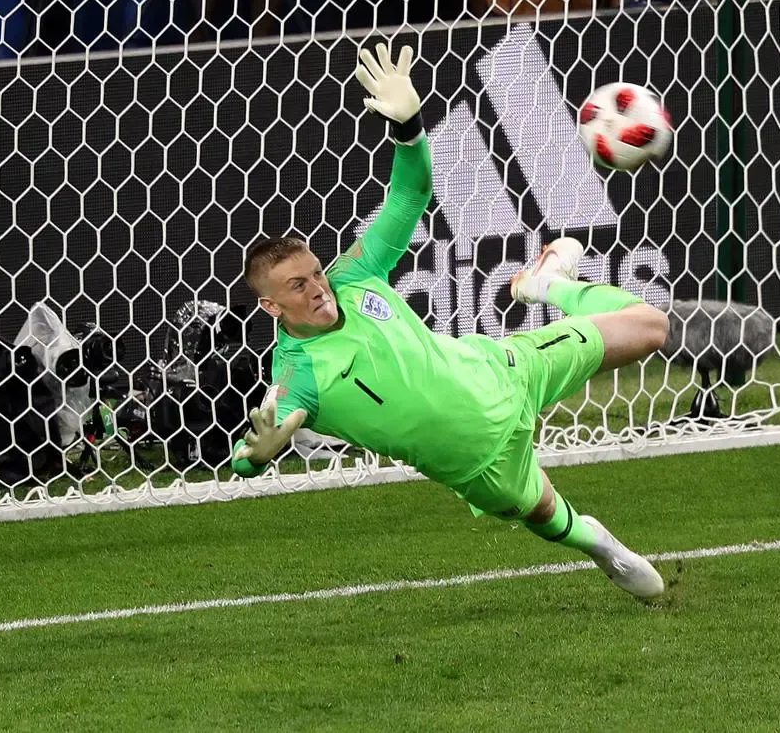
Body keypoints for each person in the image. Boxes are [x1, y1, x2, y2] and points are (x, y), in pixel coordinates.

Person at [231, 42, 667, 600]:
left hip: (505, 368)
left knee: (651, 323)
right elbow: (268, 429)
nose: (319, 288)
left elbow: (409, 193)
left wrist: (409, 128)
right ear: (271, 306)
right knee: (544, 513)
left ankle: (548, 286)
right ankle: (603, 548)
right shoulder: (296, 372)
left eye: (315, 272)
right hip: (477, 462)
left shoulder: (356, 274)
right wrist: (255, 457)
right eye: (299, 286)